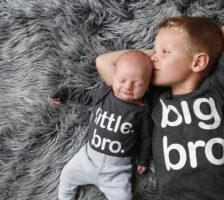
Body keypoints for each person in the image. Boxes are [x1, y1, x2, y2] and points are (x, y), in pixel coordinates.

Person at [96, 13, 224, 200]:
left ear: (198, 62)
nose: (154, 58)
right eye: (154, 52)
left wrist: (202, 44)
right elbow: (105, 62)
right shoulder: (152, 100)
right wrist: (153, 59)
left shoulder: (220, 86)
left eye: (164, 51)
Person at [54, 50, 153, 200]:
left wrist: (144, 159)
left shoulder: (142, 110)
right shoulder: (104, 95)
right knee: (67, 175)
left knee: (125, 197)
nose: (127, 87)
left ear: (147, 87)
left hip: (117, 171)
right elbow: (84, 95)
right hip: (87, 159)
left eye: (137, 83)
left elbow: (146, 137)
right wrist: (64, 92)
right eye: (121, 80)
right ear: (114, 78)